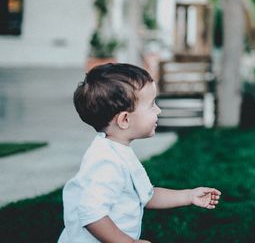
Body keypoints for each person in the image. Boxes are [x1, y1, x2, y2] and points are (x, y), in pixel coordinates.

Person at [58, 63, 221, 243]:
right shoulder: (106, 162)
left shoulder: (118, 150)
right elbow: (91, 214)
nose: (158, 110)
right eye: (152, 105)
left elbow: (147, 195)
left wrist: (188, 196)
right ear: (125, 119)